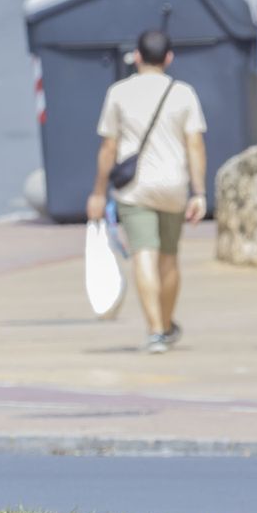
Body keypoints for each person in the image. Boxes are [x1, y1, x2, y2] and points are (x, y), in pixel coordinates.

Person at [86, 29, 207, 354]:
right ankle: (166, 325)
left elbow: (108, 147)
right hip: (173, 187)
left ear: (137, 57)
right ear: (169, 58)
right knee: (169, 259)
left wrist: (98, 192)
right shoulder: (183, 93)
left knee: (144, 255)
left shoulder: (119, 93)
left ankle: (155, 331)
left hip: (135, 188)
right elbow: (195, 144)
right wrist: (199, 192)